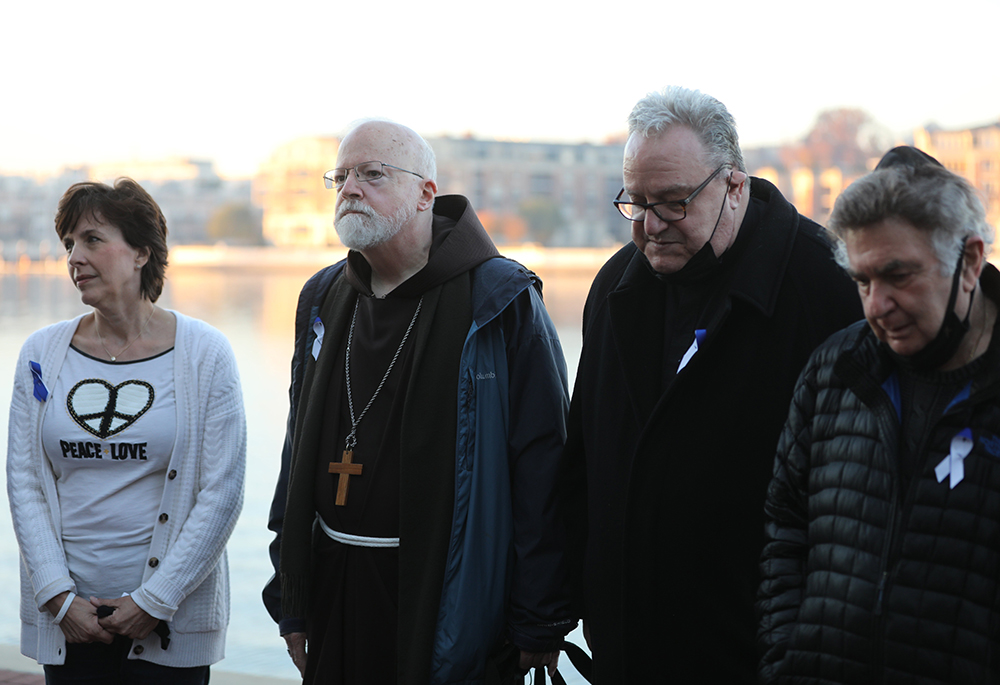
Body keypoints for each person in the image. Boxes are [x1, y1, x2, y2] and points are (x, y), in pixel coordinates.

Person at [560, 86, 863, 682]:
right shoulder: (616, 286)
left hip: (758, 656)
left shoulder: (824, 287)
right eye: (637, 202)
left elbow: (854, 501)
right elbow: (583, 461)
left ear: (734, 185)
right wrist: (560, 598)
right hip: (625, 654)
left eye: (673, 203)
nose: (649, 226)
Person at [262, 119, 574, 684]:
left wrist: (539, 618)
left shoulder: (499, 299)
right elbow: (295, 448)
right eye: (342, 176)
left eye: (373, 174)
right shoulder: (324, 297)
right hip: (334, 589)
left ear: (426, 193)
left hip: (448, 595)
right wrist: (292, 595)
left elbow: (543, 465)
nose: (350, 188)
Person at [758, 147, 1000, 683]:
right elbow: (785, 528)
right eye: (863, 281)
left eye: (898, 276)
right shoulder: (834, 370)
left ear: (972, 261)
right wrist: (785, 662)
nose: (876, 306)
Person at [6, 178, 246, 684]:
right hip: (71, 623)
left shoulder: (205, 353)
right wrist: (56, 596)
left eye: (92, 239)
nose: (74, 257)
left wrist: (154, 602)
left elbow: (222, 491)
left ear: (141, 252)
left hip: (168, 625)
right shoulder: (41, 354)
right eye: (69, 244)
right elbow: (25, 481)